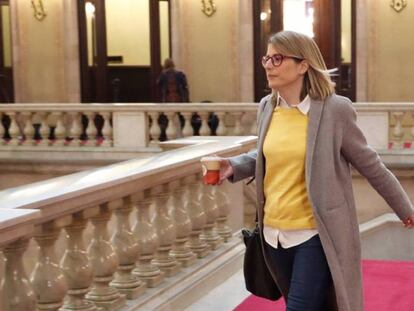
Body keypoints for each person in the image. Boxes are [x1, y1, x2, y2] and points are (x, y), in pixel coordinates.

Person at [213, 30, 414, 311]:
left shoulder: (335, 111)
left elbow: (371, 165)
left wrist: (405, 209)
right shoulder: (267, 108)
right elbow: (267, 155)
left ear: (303, 65)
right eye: (266, 58)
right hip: (273, 237)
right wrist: (233, 166)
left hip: (316, 235)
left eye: (278, 58)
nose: (269, 65)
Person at [156, 58, 190, 140]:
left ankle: (171, 135)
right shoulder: (179, 73)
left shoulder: (163, 74)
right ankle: (180, 135)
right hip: (178, 98)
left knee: (170, 117)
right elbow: (185, 85)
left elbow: (158, 83)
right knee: (180, 118)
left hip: (168, 98)